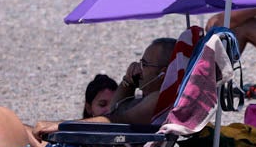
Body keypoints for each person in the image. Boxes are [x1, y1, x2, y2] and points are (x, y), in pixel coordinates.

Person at [32, 37, 178, 138]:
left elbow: (113, 119)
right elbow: (114, 108)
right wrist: (128, 81)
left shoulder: (157, 100)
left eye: (144, 64)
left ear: (163, 73)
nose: (139, 69)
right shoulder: (156, 99)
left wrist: (62, 126)